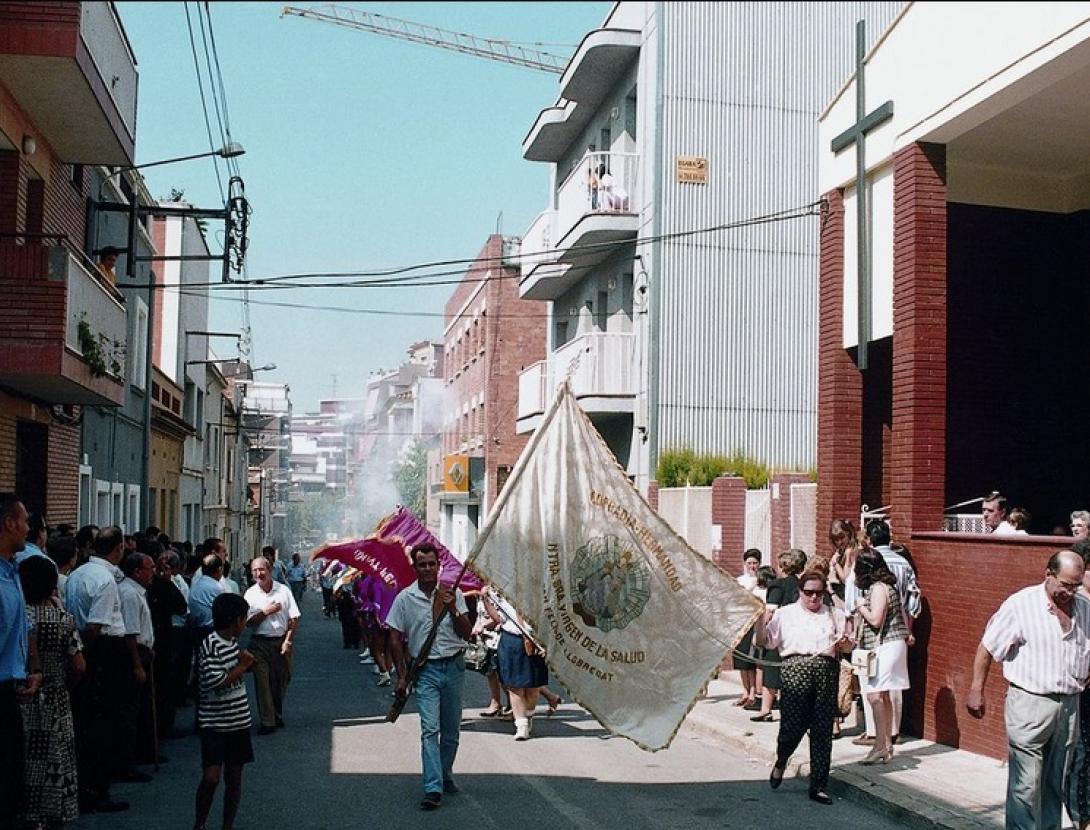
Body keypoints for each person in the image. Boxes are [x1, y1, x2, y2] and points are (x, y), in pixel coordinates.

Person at [968, 550, 1090, 830]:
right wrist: (976, 689)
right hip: (1030, 702)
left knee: (1055, 781)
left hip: (1070, 705)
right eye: (1065, 585)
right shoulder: (1020, 605)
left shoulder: (1085, 608)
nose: (1070, 593)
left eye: (1076, 586)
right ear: (1048, 574)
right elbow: (988, 647)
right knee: (1026, 784)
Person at [387, 543, 473, 810]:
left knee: (451, 732)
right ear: (415, 567)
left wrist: (453, 608)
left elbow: (467, 633)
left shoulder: (453, 594)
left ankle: (444, 775)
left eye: (431, 564)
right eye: (422, 564)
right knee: (430, 729)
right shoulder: (405, 598)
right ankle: (433, 787)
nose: (427, 569)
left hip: (454, 667)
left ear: (438, 566)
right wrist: (402, 675)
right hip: (425, 671)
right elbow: (394, 636)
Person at [760, 569, 852, 805]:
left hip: (825, 674)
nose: (814, 597)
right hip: (795, 672)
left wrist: (844, 643)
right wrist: (761, 621)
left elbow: (848, 646)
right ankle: (782, 759)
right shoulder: (785, 614)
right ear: (799, 591)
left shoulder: (834, 614)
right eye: (809, 592)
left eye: (819, 593)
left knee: (822, 730)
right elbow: (765, 642)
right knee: (792, 727)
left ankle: (818, 785)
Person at [64, 525, 130, 814]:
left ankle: (85, 784)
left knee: (86, 719)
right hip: (103, 650)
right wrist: (90, 652)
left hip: (82, 646)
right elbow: (95, 626)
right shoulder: (106, 579)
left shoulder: (77, 573)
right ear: (118, 549)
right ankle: (97, 789)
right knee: (104, 720)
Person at [17, 555, 82, 829]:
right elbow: (79, 664)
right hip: (56, 694)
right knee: (56, 756)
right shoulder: (63, 620)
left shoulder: (20, 617)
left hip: (22, 694)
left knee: (25, 758)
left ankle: (27, 812)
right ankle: (54, 811)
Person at [851, 520, 921, 747]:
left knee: (873, 692)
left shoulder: (870, 573)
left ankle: (877, 737)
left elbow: (867, 613)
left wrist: (859, 608)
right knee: (892, 691)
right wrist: (908, 629)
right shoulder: (904, 563)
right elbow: (913, 600)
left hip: (879, 639)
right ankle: (892, 733)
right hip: (898, 632)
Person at [194, 593, 255, 830]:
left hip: (238, 721)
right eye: (244, 619)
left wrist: (244, 664)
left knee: (234, 778)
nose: (245, 624)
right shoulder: (211, 644)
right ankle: (199, 824)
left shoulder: (232, 642)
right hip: (214, 722)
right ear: (236, 620)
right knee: (211, 777)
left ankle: (227, 825)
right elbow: (216, 681)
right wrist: (243, 666)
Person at [1, 494, 42, 829]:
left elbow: (23, 624)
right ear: (9, 524)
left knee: (13, 778)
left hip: (10, 687)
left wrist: (34, 667)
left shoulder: (13, 568)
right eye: (25, 520)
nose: (29, 528)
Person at [853, 547, 909, 765]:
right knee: (884, 696)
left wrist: (860, 607)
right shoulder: (888, 586)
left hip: (885, 645)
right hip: (893, 644)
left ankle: (879, 746)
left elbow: (876, 620)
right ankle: (886, 745)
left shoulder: (877, 588)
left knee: (874, 696)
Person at [243, 557, 300, 735]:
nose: (258, 574)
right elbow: (248, 622)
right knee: (263, 683)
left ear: (269, 570)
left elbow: (294, 618)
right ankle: (268, 721)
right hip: (258, 644)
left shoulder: (283, 591)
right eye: (254, 570)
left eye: (261, 570)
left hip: (280, 643)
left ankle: (276, 714)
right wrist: (265, 612)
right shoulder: (250, 594)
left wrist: (288, 641)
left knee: (281, 681)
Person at [750, 548, 808, 722]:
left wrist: (759, 632)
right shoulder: (802, 584)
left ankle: (766, 709)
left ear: (783, 566)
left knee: (771, 668)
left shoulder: (778, 585)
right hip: (797, 632)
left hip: (779, 632)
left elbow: (770, 611)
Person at [486, 588, 548, 741]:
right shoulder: (498, 590)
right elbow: (498, 619)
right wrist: (485, 600)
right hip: (511, 639)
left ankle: (528, 714)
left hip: (535, 639)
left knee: (532, 687)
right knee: (514, 686)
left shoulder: (536, 590)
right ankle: (521, 725)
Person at [117, 552, 156, 775]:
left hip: (144, 651)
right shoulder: (129, 594)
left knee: (141, 706)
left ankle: (142, 751)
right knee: (130, 709)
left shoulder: (137, 591)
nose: (153, 573)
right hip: (135, 654)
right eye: (150, 568)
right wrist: (137, 665)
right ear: (137, 571)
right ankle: (127, 761)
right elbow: (130, 633)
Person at [733, 549, 763, 707]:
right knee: (741, 660)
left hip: (755, 623)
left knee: (751, 660)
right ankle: (744, 691)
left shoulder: (762, 579)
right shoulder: (740, 580)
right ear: (744, 564)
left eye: (755, 563)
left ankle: (752, 692)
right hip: (741, 622)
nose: (752, 566)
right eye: (749, 563)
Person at [189, 555, 225, 646]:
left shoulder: (195, 585)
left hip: (196, 630)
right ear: (219, 569)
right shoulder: (217, 587)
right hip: (212, 631)